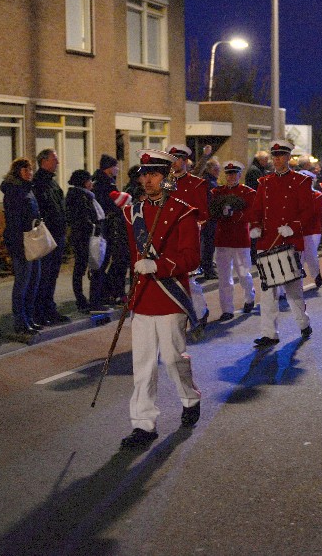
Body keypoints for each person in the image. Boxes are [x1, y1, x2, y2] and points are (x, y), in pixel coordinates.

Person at [119, 149, 202, 448]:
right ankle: (143, 424)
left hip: (170, 296)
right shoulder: (134, 213)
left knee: (171, 357)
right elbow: (132, 255)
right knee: (142, 364)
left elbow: (192, 257)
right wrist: (129, 288)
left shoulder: (183, 212)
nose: (147, 180)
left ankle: (190, 398)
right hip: (143, 297)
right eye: (144, 174)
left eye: (154, 174)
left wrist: (160, 265)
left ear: (167, 177)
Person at [248, 138, 316, 348]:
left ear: (288, 157)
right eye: (275, 156)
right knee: (268, 290)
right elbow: (257, 209)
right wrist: (256, 226)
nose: (278, 160)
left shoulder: (301, 181)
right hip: (268, 240)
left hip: (290, 240)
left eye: (282, 156)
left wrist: (293, 227)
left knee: (293, 288)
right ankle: (269, 333)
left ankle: (303, 323)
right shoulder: (264, 182)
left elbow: (308, 211)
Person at [167, 145, 211, 330]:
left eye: (178, 159)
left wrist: (193, 230)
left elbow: (203, 214)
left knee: (189, 280)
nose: (175, 163)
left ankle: (200, 313)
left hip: (189, 237)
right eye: (172, 160)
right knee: (172, 279)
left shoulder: (196, 183)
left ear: (185, 162)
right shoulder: (166, 184)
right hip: (169, 237)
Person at [210, 160, 256, 321]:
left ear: (239, 175)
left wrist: (234, 215)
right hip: (223, 238)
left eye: (234, 173)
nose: (231, 177)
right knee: (224, 277)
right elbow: (212, 211)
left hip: (240, 239)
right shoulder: (217, 192)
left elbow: (251, 214)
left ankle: (249, 297)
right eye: (228, 174)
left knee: (244, 273)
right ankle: (227, 309)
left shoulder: (247, 192)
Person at [1, 158, 41, 340]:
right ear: (17, 171)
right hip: (20, 242)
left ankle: (30, 318)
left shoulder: (28, 189)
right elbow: (14, 220)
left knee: (34, 280)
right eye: (25, 169)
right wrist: (20, 242)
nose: (29, 172)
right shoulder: (13, 190)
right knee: (22, 282)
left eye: (31, 169)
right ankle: (20, 322)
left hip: (32, 239)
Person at [32, 148, 69, 325]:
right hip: (48, 236)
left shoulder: (52, 183)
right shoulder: (39, 183)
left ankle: (49, 308)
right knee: (45, 275)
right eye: (54, 159)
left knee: (52, 274)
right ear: (44, 161)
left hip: (58, 235)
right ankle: (40, 311)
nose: (58, 162)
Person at [66, 169, 106, 313]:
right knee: (87, 268)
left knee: (85, 268)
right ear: (83, 182)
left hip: (85, 237)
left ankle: (86, 300)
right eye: (89, 180)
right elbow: (82, 218)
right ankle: (87, 301)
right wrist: (93, 227)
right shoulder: (80, 196)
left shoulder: (84, 195)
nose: (91, 183)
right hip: (84, 238)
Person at [93, 154, 128, 305]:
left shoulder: (104, 181)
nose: (117, 169)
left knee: (105, 262)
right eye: (115, 166)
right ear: (108, 168)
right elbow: (110, 203)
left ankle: (104, 293)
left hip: (108, 227)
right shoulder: (105, 184)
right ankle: (101, 295)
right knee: (105, 261)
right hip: (108, 228)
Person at [298, 170, 322, 287]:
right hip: (298, 230)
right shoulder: (295, 195)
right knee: (299, 256)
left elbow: (315, 213)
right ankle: (298, 279)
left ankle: (315, 274)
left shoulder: (317, 195)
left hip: (312, 230)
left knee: (311, 254)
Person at [198, 157, 221, 280]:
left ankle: (207, 267)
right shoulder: (209, 182)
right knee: (208, 245)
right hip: (209, 218)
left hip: (209, 217)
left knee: (208, 244)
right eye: (216, 169)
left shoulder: (209, 180)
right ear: (210, 169)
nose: (218, 171)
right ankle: (208, 269)